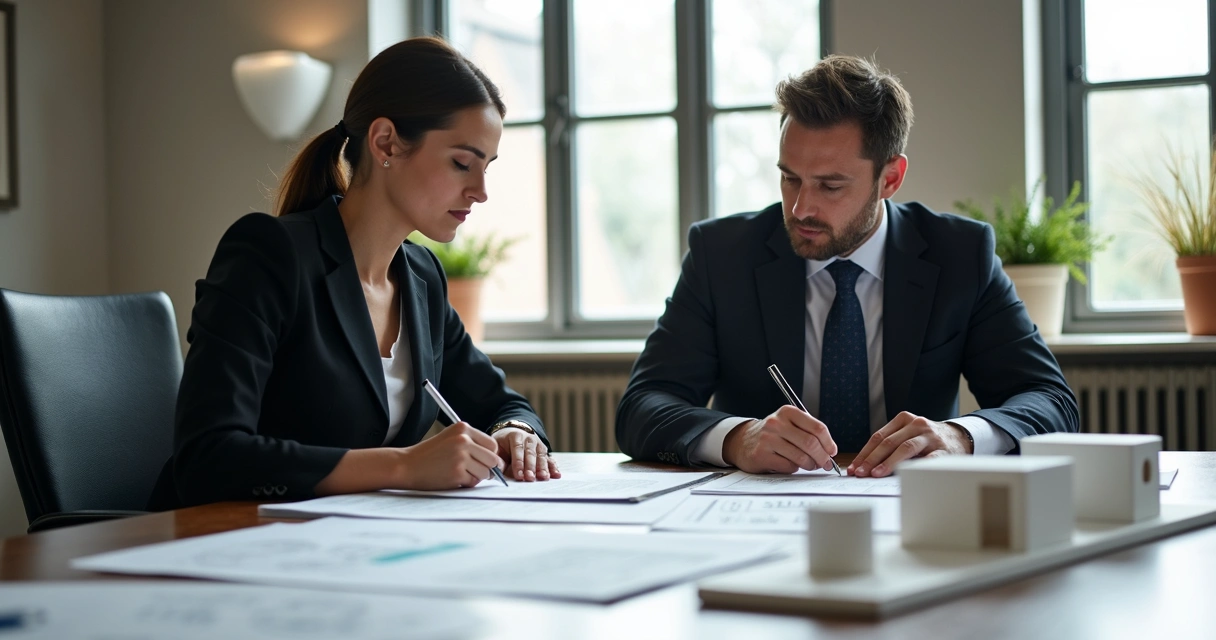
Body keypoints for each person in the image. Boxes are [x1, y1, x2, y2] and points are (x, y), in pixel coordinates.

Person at [615, 55, 1078, 478]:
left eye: (830, 186)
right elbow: (642, 405)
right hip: (761, 511)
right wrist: (737, 438)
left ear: (890, 178)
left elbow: (1051, 401)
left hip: (912, 510)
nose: (800, 208)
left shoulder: (959, 254)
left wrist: (959, 437)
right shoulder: (722, 255)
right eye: (789, 178)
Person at [150, 37, 559, 509]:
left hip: (349, 537)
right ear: (385, 142)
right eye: (462, 163)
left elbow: (502, 403)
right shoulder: (268, 254)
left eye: (486, 167)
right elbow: (208, 457)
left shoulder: (421, 277)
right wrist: (403, 466)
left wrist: (515, 431)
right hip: (222, 535)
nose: (480, 190)